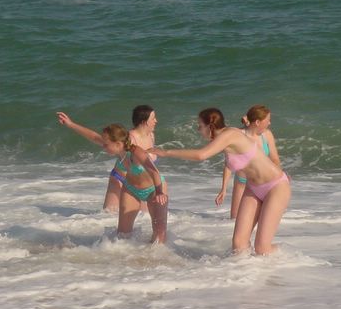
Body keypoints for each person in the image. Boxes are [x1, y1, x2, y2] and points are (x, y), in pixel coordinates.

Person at [150, 108, 289, 255]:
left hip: (275, 186)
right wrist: (223, 188)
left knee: (262, 249)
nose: (198, 129)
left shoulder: (229, 134)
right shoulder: (225, 138)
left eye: (200, 125)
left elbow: (201, 155)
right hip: (253, 188)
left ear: (210, 126)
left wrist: (166, 152)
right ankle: (247, 268)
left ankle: (289, 257)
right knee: (239, 246)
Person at [57, 112, 168, 244]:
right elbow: (94, 137)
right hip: (131, 189)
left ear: (118, 144)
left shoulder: (136, 152)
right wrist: (71, 124)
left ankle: (155, 256)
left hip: (154, 190)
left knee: (159, 235)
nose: (103, 146)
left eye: (106, 144)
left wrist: (160, 192)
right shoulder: (119, 151)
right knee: (123, 236)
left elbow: (154, 171)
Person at [215, 105, 281, 219]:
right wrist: (223, 189)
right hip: (242, 183)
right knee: (235, 220)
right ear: (257, 122)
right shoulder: (239, 135)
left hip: (262, 183)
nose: (270, 123)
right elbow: (229, 165)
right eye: (268, 120)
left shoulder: (267, 135)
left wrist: (278, 179)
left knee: (261, 219)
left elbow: (275, 159)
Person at [101, 105, 160, 212]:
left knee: (143, 218)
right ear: (144, 121)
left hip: (143, 185)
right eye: (153, 118)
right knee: (108, 215)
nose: (156, 121)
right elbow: (99, 139)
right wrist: (71, 124)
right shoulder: (130, 138)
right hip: (121, 179)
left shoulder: (151, 136)